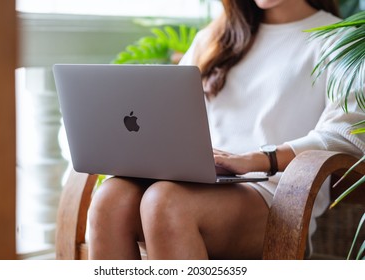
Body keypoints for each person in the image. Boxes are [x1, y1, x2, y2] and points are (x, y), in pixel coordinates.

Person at [88, 0, 365, 259]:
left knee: (166, 202)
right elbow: (165, 119)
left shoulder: (340, 42)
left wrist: (254, 159)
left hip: (276, 198)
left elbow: (347, 134)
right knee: (110, 200)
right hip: (198, 182)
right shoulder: (214, 39)